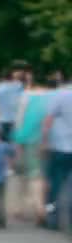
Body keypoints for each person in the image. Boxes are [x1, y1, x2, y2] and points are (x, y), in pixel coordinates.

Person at [11, 77, 55, 224]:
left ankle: (25, 207)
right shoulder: (54, 97)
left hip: (27, 139)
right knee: (41, 175)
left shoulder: (24, 97)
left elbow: (18, 121)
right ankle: (41, 207)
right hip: (49, 141)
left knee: (25, 175)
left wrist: (16, 142)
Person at [42, 83, 72, 231]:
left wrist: (44, 142)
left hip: (59, 147)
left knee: (54, 186)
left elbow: (48, 120)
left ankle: (52, 218)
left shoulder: (60, 94)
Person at [0, 66, 24, 142]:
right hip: (16, 117)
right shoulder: (19, 86)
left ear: (3, 77)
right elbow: (23, 99)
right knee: (16, 140)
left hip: (2, 118)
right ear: (12, 77)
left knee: (4, 140)